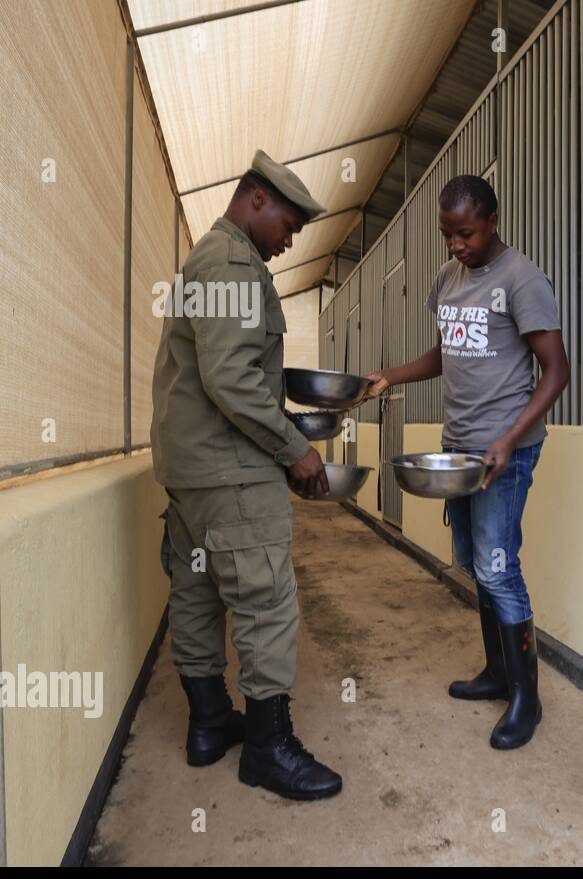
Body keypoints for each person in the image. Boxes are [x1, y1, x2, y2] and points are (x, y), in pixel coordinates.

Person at [150, 149, 341, 799]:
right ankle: (267, 746)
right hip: (228, 470)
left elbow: (224, 375)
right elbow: (231, 378)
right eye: (288, 223)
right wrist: (294, 447)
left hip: (191, 469)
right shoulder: (232, 261)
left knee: (198, 591)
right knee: (266, 601)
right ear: (256, 198)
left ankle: (209, 723)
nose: (289, 240)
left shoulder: (207, 258)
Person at [363, 174, 569, 750]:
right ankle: (497, 674)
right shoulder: (449, 278)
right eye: (448, 235)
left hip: (505, 453)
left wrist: (508, 439)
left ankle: (527, 699)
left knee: (499, 567)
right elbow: (446, 350)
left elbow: (557, 371)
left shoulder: (521, 279)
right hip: (460, 449)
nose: (456, 246)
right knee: (474, 565)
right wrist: (392, 376)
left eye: (467, 234)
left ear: (493, 221)